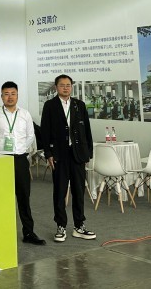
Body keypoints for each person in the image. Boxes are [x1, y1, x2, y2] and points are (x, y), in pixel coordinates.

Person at [0, 81, 46, 246]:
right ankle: (1, 232)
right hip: (2, 160)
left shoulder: (25, 114)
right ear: (1, 96)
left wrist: (21, 149)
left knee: (24, 197)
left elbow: (30, 136)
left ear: (17, 95)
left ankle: (29, 232)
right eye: (6, 94)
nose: (10, 97)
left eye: (13, 94)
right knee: (2, 197)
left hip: (20, 159)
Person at [41, 74, 95, 243]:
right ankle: (61, 226)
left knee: (79, 191)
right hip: (59, 155)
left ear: (71, 87)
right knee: (60, 191)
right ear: (56, 87)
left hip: (78, 154)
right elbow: (45, 131)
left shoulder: (79, 105)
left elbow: (87, 130)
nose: (65, 88)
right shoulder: (50, 105)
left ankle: (79, 226)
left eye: (68, 85)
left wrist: (88, 153)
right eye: (62, 85)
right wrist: (48, 154)